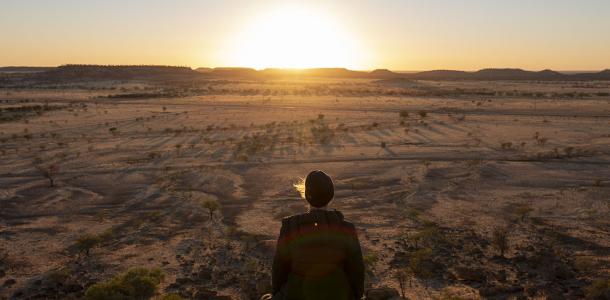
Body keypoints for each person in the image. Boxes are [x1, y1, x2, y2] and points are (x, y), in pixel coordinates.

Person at [272, 170, 365, 300]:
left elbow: (279, 269)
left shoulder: (290, 227)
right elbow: (357, 271)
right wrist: (355, 295)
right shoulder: (346, 229)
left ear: (306, 195)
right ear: (330, 196)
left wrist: (277, 294)